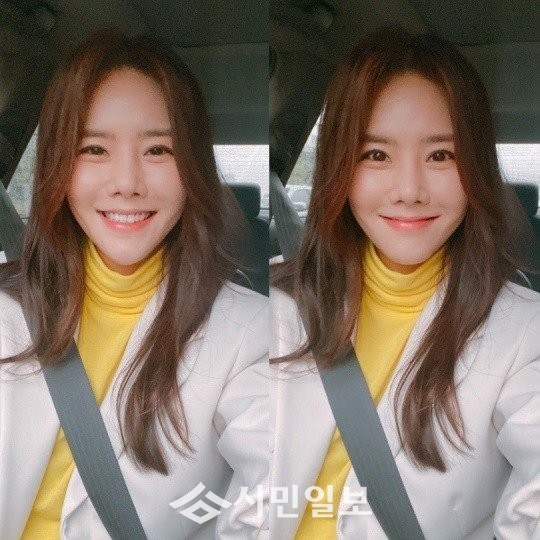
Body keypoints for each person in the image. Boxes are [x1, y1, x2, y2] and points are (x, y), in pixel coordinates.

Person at [270, 27, 539, 539]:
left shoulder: (525, 335)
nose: (410, 190)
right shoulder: (268, 303)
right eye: (376, 155)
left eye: (441, 156)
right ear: (340, 165)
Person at [0, 31, 268, 539]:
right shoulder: (6, 310)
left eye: (158, 149)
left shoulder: (252, 334)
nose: (127, 183)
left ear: (192, 168)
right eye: (94, 148)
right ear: (58, 164)